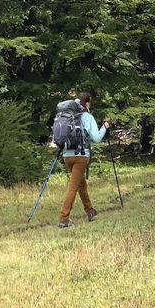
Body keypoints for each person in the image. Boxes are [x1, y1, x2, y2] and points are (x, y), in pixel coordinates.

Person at [59, 91, 110, 228]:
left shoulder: (68, 116)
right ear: (87, 103)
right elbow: (97, 138)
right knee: (73, 186)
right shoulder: (87, 116)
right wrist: (104, 128)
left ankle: (90, 211)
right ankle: (63, 218)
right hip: (81, 156)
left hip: (66, 155)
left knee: (81, 184)